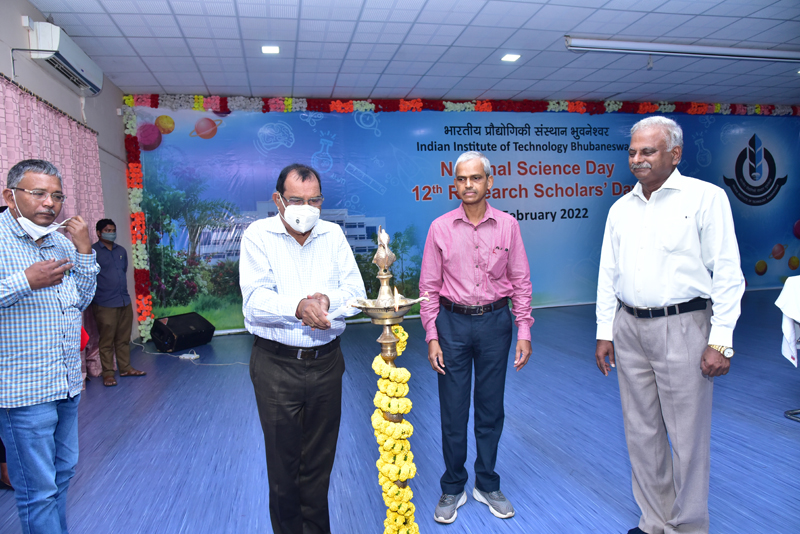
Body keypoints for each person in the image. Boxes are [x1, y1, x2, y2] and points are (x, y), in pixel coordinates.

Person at [595, 116, 745, 534]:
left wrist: (721, 340)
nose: (637, 159)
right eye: (632, 151)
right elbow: (608, 273)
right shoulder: (620, 209)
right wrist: (605, 331)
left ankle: (688, 526)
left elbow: (728, 274)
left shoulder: (705, 198)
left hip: (684, 328)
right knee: (640, 431)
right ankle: (655, 522)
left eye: (648, 151)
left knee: (687, 437)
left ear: (675, 154)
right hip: (629, 328)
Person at [239, 163, 366, 534]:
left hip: (327, 363)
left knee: (319, 464)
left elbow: (355, 294)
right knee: (284, 468)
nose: (306, 209)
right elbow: (255, 301)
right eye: (296, 200)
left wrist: (327, 300)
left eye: (314, 201)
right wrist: (298, 307)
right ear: (278, 200)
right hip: (277, 366)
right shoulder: (258, 235)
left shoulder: (333, 235)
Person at [419, 151, 533, 524]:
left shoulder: (508, 225)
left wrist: (524, 329)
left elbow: (521, 281)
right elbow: (428, 287)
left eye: (475, 178)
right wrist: (432, 335)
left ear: (489, 182)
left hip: (495, 324)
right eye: (461, 179)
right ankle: (454, 486)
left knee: (490, 408)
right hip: (451, 326)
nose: (468, 185)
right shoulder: (439, 228)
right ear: (455, 184)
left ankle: (486, 482)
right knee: (453, 410)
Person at [0, 159, 99, 534]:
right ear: (10, 195)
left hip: (67, 384)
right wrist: (24, 281)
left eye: (57, 196)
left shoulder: (59, 241)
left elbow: (80, 301)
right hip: (23, 392)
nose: (50, 203)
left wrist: (84, 251)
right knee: (38, 491)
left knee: (62, 476)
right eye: (38, 193)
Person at [91, 218, 145, 387]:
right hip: (104, 303)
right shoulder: (92, 252)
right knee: (107, 341)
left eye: (113, 230)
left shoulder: (121, 250)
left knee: (123, 339)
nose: (111, 233)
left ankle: (125, 368)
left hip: (123, 300)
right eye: (107, 230)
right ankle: (108, 373)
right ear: (98, 233)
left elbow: (123, 270)